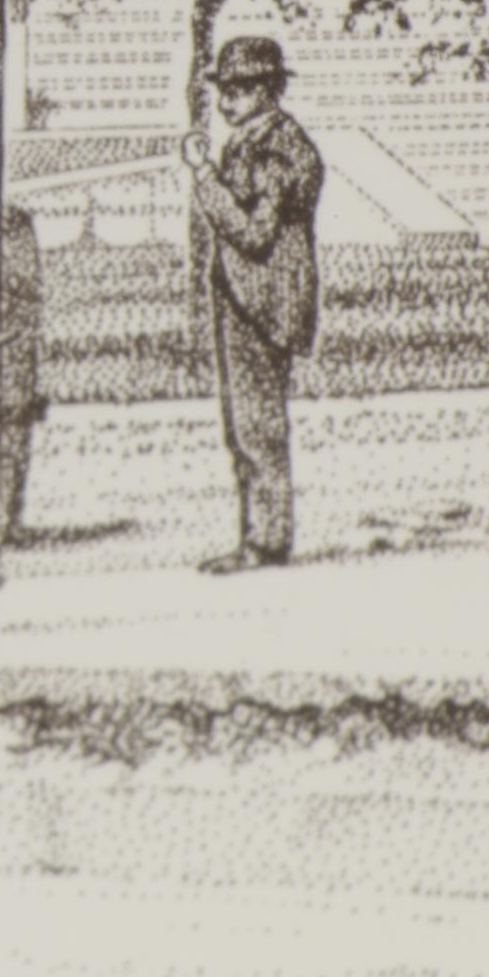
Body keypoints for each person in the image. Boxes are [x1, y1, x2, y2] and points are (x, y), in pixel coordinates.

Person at [183, 35, 325, 573]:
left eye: (240, 90)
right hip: (243, 298)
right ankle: (258, 535)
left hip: (266, 303)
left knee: (258, 425)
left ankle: (266, 541)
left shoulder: (279, 151)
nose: (227, 103)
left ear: (269, 90)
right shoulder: (247, 142)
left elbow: (253, 234)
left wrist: (203, 177)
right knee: (242, 425)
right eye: (225, 90)